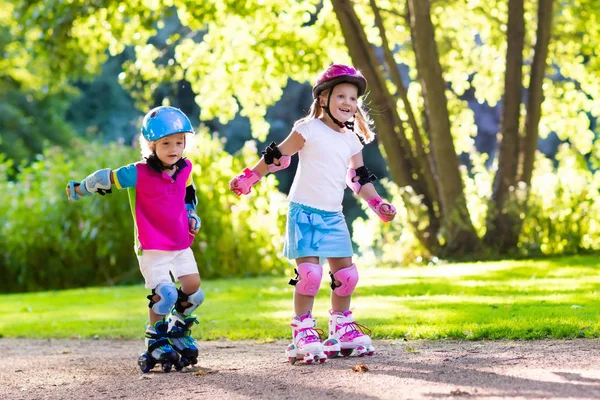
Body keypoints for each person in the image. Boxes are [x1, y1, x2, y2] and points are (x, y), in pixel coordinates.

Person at [229, 64, 396, 365]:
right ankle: (302, 332)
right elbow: (277, 156)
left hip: (333, 215)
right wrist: (249, 178)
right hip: (303, 212)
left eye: (353, 98)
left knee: (346, 277)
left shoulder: (352, 138)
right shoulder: (307, 129)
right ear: (323, 99)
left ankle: (341, 329)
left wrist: (377, 204)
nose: (348, 103)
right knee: (310, 276)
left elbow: (357, 178)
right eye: (341, 96)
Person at [66, 106, 205, 373]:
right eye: (166, 143)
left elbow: (188, 193)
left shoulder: (185, 167)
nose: (174, 148)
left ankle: (178, 329)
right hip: (151, 245)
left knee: (194, 290)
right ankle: (155, 338)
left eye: (179, 142)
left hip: (179, 241)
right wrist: (81, 187)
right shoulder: (139, 172)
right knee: (164, 294)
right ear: (151, 145)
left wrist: (191, 214)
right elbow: (106, 178)